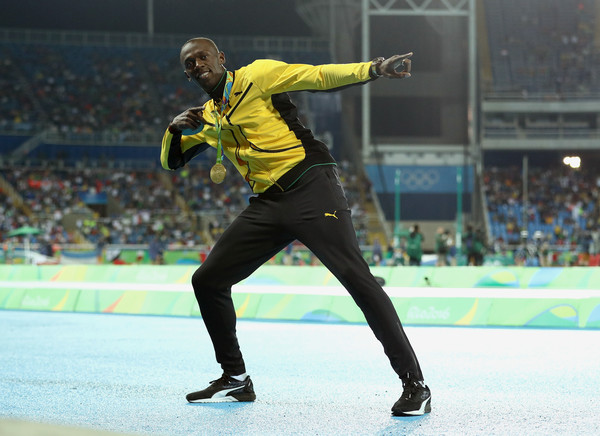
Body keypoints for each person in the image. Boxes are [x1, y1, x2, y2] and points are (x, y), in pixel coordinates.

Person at [160, 37, 431, 416]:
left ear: (221, 57)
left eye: (202, 57)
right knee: (207, 280)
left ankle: (415, 385)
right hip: (268, 204)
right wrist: (173, 129)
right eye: (188, 63)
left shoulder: (258, 76)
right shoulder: (207, 117)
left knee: (358, 280)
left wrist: (375, 68)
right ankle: (235, 378)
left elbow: (318, 76)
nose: (196, 65)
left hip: (310, 187)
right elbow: (172, 163)